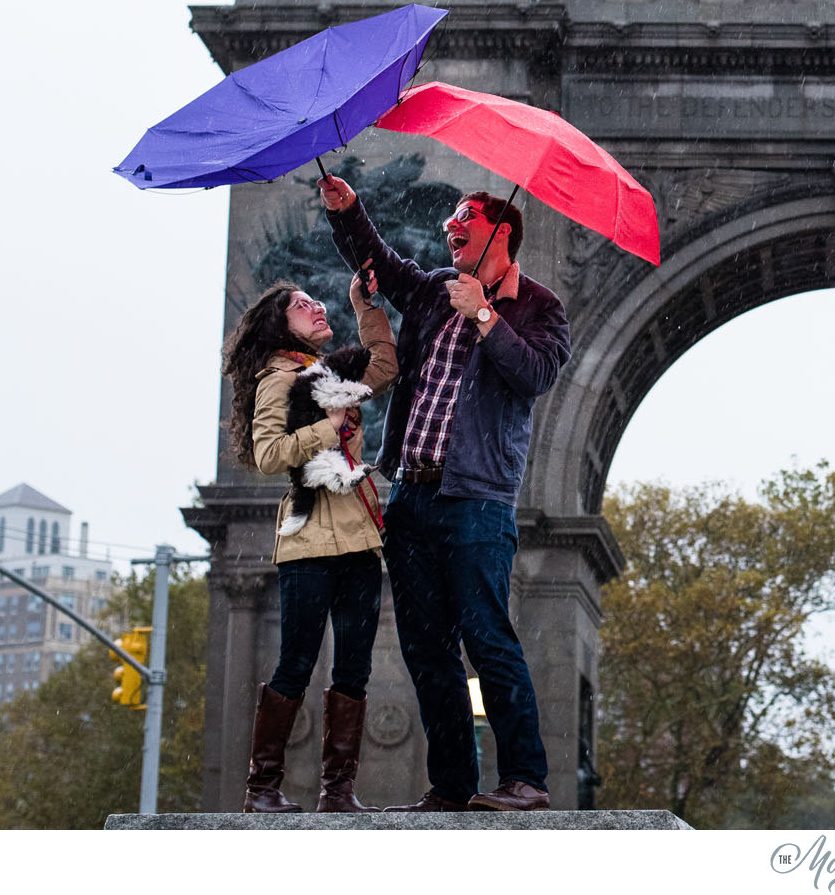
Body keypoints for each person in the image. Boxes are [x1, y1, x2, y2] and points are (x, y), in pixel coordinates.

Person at [317, 175, 573, 813]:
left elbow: (534, 374)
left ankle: (525, 781)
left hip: (477, 501)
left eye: (463, 221)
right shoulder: (432, 289)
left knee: (488, 637)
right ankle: (453, 783)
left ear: (500, 232)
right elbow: (381, 263)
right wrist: (349, 212)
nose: (448, 229)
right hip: (412, 497)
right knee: (425, 647)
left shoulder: (539, 306)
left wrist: (484, 315)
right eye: (449, 223)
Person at [221, 273, 397, 814]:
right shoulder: (277, 379)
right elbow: (270, 455)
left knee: (354, 669)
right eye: (302, 305)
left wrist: (361, 306)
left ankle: (338, 793)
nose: (315, 307)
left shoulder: (328, 372)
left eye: (317, 302)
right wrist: (331, 426)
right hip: (310, 539)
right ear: (281, 324)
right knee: (295, 663)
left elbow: (386, 366)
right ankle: (262, 791)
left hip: (360, 537)